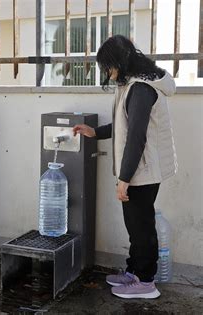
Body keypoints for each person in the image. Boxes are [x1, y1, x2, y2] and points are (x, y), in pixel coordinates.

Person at [73, 35, 177, 299]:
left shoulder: (141, 89)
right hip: (137, 170)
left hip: (142, 171)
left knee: (142, 228)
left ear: (120, 62)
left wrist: (124, 178)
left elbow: (136, 138)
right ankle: (134, 272)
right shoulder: (130, 85)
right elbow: (123, 125)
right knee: (135, 225)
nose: (108, 72)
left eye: (109, 66)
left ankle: (146, 282)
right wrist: (94, 132)